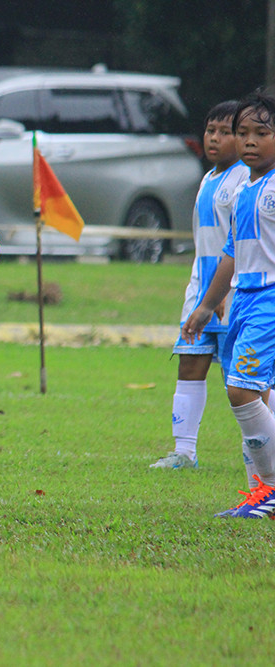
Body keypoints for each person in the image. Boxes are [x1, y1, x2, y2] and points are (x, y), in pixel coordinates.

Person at [182, 90, 275, 517]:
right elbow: (232, 254)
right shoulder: (245, 191)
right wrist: (206, 305)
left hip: (269, 299)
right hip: (243, 300)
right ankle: (260, 496)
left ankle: (271, 489)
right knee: (255, 394)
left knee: (241, 389)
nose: (249, 141)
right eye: (243, 133)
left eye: (262, 132)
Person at [150, 101, 249, 470]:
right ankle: (184, 452)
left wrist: (221, 292)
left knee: (243, 376)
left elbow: (240, 242)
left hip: (233, 292)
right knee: (190, 364)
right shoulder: (209, 178)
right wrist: (203, 292)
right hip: (200, 289)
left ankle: (257, 450)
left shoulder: (246, 180)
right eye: (211, 130)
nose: (215, 138)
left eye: (226, 132)